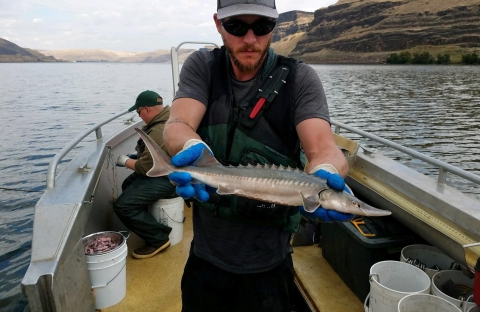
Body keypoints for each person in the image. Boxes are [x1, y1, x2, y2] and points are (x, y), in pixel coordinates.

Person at [163, 0, 354, 310]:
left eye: (262, 26)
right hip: (206, 256)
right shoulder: (203, 67)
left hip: (270, 262)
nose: (250, 39)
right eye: (237, 26)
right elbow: (178, 123)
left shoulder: (299, 79)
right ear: (218, 24)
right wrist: (187, 145)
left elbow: (322, 149)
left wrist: (329, 168)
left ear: (274, 26)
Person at [114, 90, 175, 259]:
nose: (139, 116)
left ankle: (158, 238)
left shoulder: (158, 129)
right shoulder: (163, 120)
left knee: (122, 206)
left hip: (169, 178)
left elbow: (146, 167)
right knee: (127, 185)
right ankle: (147, 223)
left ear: (147, 109)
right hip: (163, 172)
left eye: (139, 112)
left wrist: (125, 161)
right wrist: (135, 157)